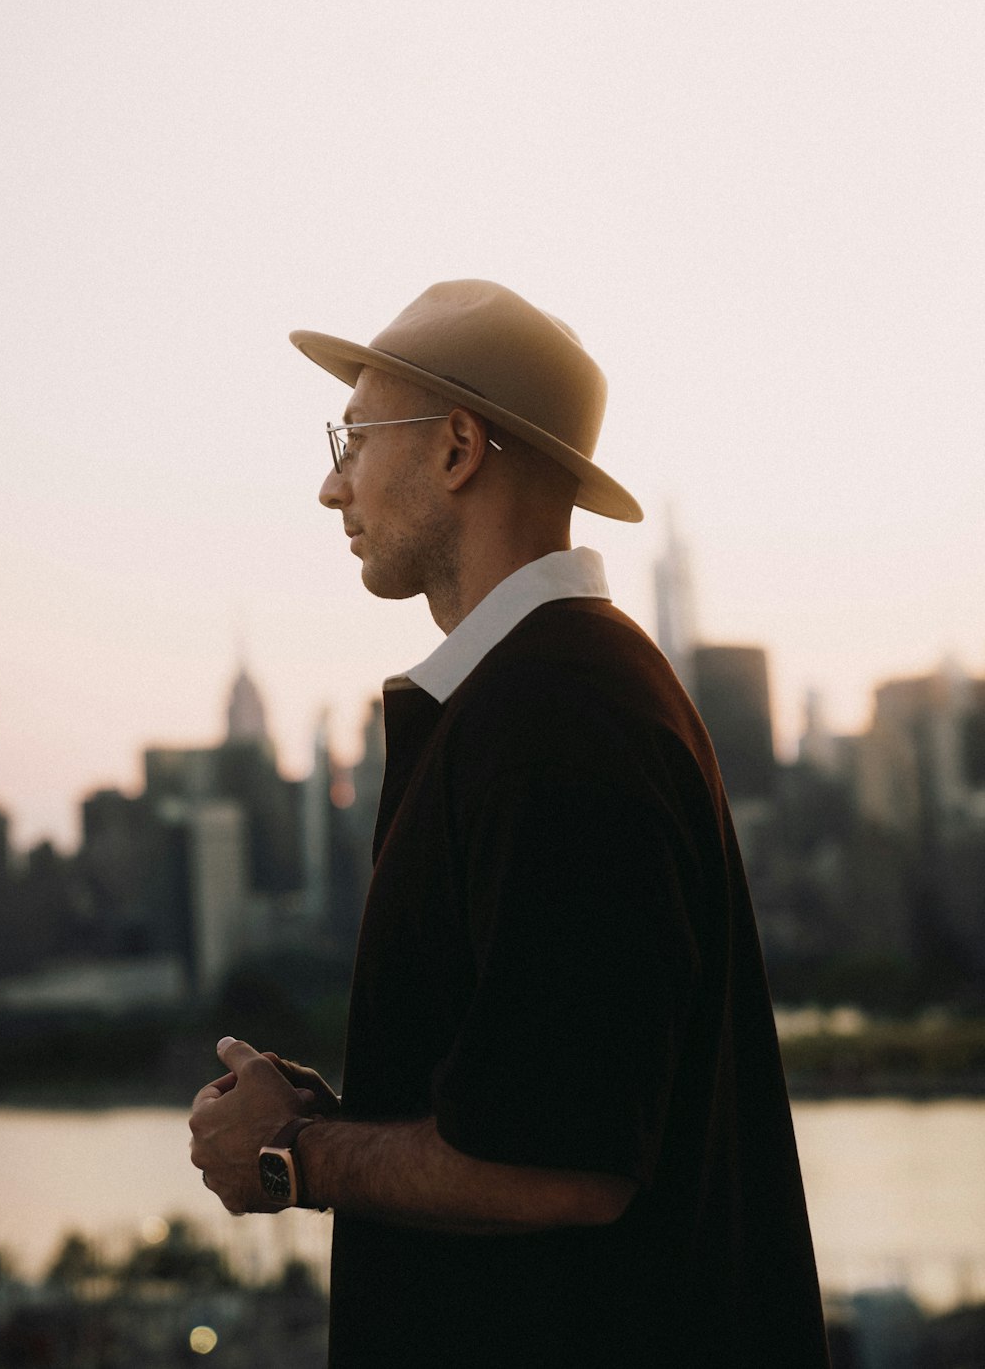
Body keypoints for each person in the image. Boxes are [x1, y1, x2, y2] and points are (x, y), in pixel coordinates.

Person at [190, 279, 830, 1367]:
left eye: (353, 437)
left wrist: (292, 1154)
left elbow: (563, 1165)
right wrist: (345, 1120)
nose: (329, 486)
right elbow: (548, 1098)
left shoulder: (559, 724)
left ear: (455, 449)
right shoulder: (543, 702)